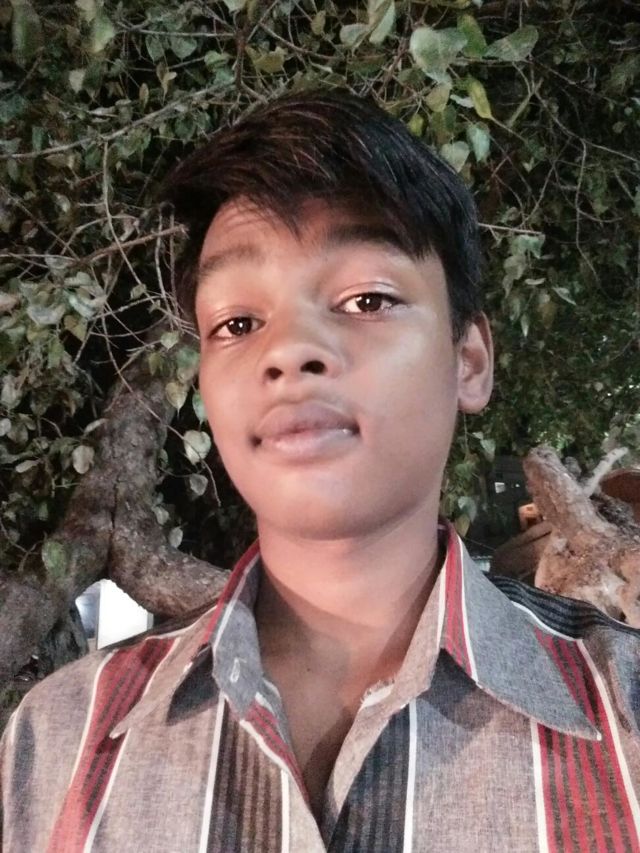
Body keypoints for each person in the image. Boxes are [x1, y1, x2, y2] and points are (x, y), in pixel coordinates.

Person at [1, 88, 639, 853]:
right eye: (238, 322)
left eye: (366, 299)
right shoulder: (56, 742)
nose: (288, 350)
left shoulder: (626, 708)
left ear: (468, 360)